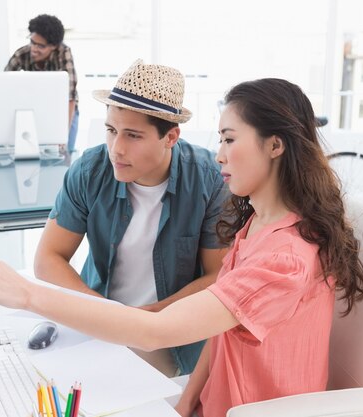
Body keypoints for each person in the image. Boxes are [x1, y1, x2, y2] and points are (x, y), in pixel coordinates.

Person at [0, 77, 363, 416]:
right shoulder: (256, 227)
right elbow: (221, 332)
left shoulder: (284, 257)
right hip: (214, 401)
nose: (220, 156)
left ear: (275, 146)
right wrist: (186, 402)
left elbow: (156, 332)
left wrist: (27, 294)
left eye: (229, 140)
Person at [30, 60, 229, 377]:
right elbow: (47, 259)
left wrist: (150, 318)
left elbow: (218, 276)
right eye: (111, 130)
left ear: (170, 137)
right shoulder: (90, 170)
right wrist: (106, 314)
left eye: (133, 136)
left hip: (171, 333)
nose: (116, 149)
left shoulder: (209, 179)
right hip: (98, 322)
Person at [4, 14, 79, 152]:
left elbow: (70, 97)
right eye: (32, 42)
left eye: (41, 46)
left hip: (63, 108)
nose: (34, 49)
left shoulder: (64, 54)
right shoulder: (21, 54)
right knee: (34, 150)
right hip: (35, 107)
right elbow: (3, 85)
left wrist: (63, 136)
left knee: (64, 151)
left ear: (54, 46)